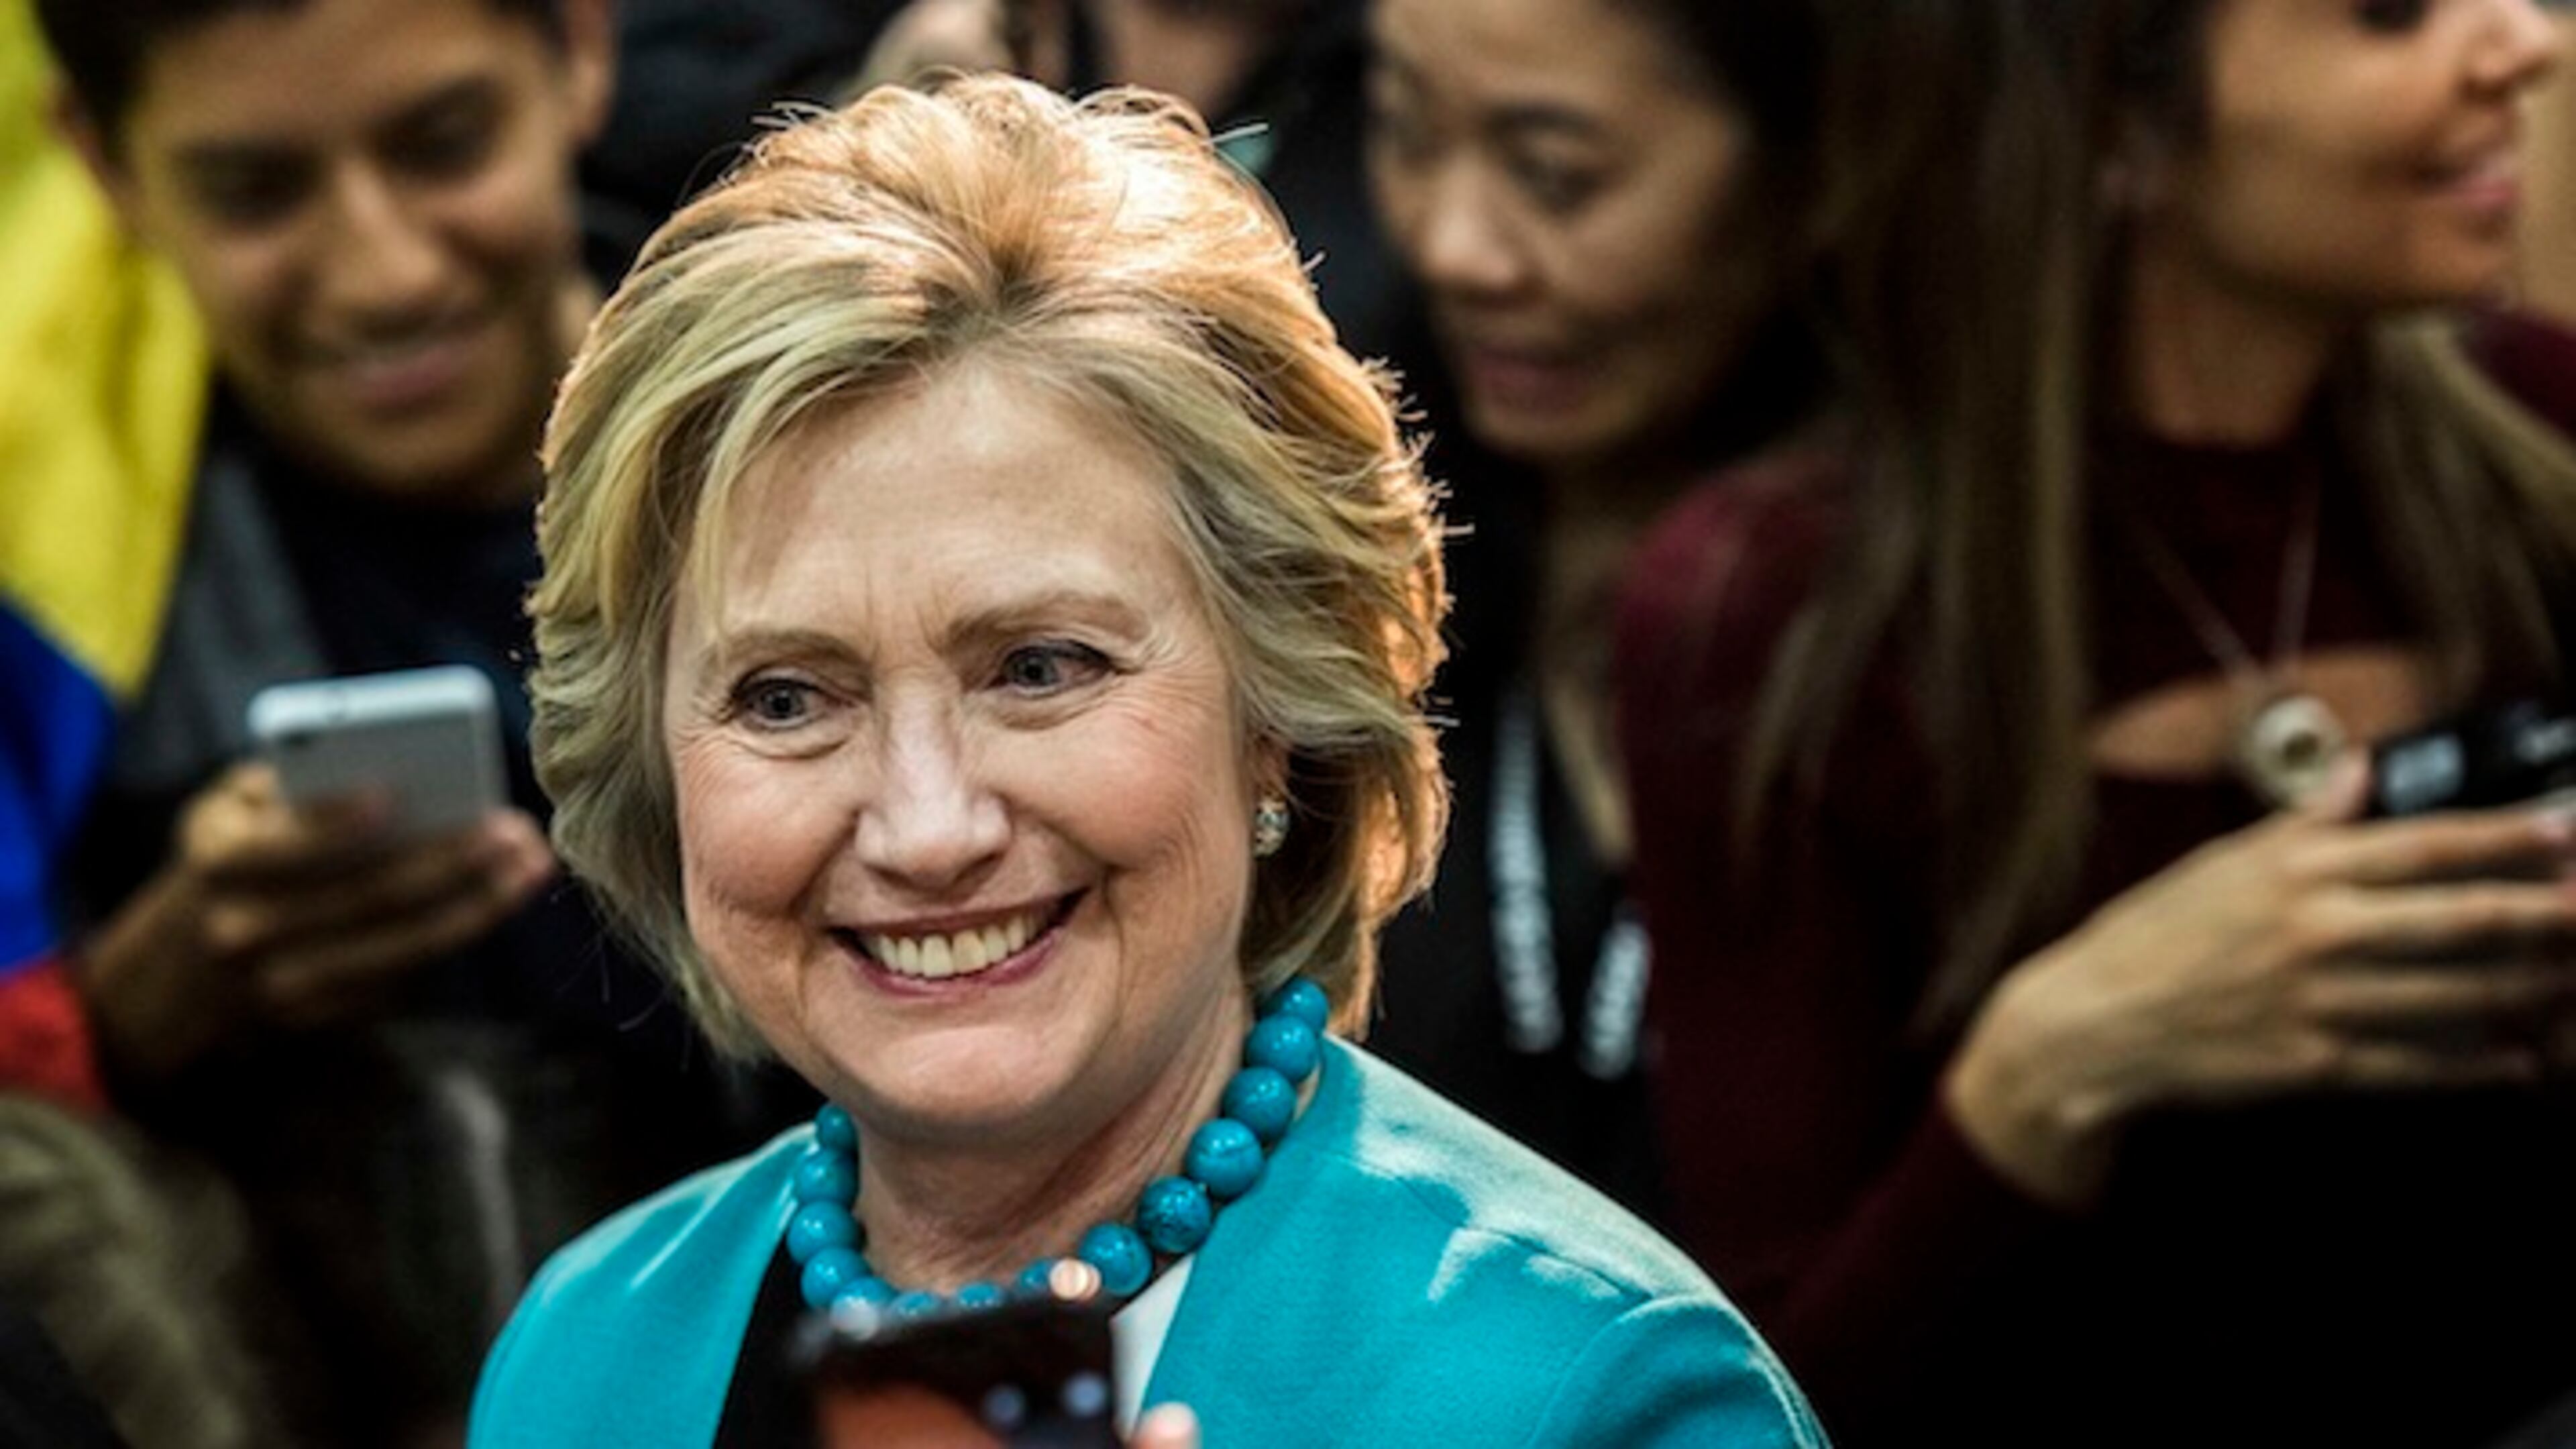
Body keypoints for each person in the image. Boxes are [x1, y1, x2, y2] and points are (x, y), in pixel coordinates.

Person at [468, 74, 1826, 1448]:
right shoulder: (586, 1351)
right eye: (784, 699)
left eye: (1041, 669)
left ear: (1278, 710)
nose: (929, 830)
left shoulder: (1602, 1394)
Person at [1617, 1, 2576, 1444]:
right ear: (2115, 116)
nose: (2523, 43)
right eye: (2392, 11)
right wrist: (2051, 1067)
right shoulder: (1771, 618)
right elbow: (1769, 1403)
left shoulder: (2543, 442)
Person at [32, 0, 809, 1440]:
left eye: (445, 146)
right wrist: (127, 1023)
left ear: (583, 53)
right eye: (255, 192)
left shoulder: (848, 423)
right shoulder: (56, 610)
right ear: (105, 168)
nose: (383, 272)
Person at [1354, 0, 1822, 1210]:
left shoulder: (1932, 639)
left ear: (1810, 169)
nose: (1455, 247)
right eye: (1405, 130)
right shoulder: (1337, 533)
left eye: (1557, 176)